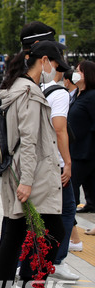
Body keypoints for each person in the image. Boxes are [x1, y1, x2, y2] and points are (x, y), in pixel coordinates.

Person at [0, 41, 67, 288]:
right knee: (53, 230)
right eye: (54, 65)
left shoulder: (13, 88)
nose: (54, 71)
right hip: (33, 174)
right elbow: (29, 141)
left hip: (17, 171)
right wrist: (27, 181)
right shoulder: (29, 92)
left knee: (15, 233)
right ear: (44, 60)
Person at [18, 42, 76, 282]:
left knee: (35, 218)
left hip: (33, 161)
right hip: (53, 162)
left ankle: (28, 268)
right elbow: (59, 129)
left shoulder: (34, 89)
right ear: (47, 62)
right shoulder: (60, 93)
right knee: (63, 214)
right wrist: (68, 162)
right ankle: (50, 265)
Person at [69, 61, 95, 220]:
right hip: (75, 147)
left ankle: (70, 214)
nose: (76, 73)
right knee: (90, 184)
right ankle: (91, 205)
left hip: (86, 150)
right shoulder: (78, 94)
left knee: (72, 183)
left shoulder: (92, 96)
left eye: (80, 71)